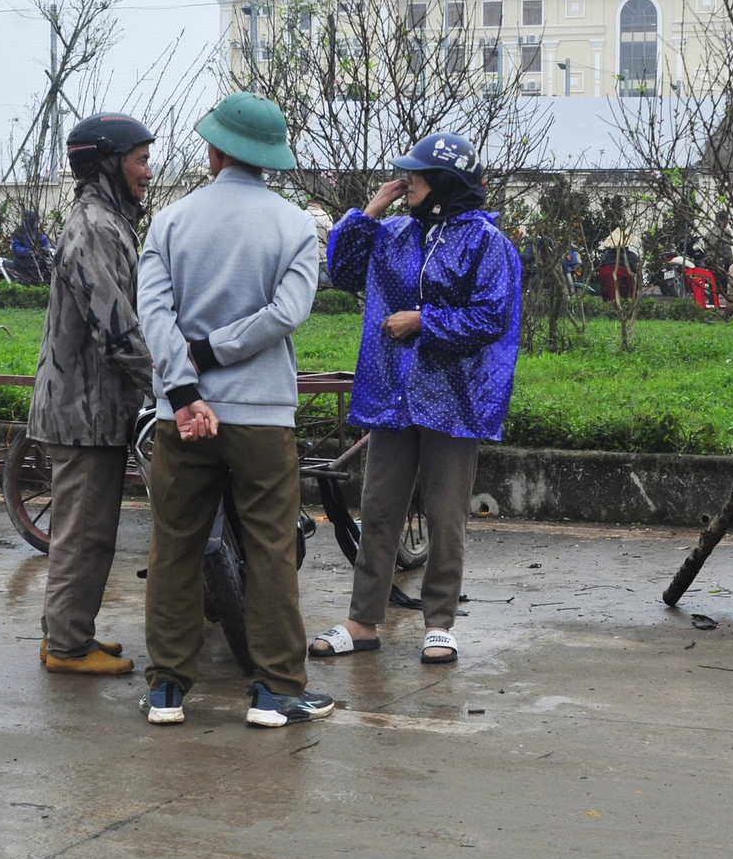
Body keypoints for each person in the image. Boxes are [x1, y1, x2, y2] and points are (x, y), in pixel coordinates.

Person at [135, 91, 333, 729]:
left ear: (214, 149)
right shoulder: (294, 226)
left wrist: (187, 386)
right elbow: (288, 314)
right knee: (271, 547)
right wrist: (219, 353)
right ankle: (275, 691)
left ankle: (167, 688)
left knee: (175, 545)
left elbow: (154, 316)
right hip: (264, 416)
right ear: (269, 159)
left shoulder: (169, 222)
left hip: (183, 416)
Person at [310, 132, 521, 666]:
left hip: (455, 399)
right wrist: (373, 207)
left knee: (446, 515)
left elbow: (492, 316)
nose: (408, 185)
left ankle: (439, 622)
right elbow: (345, 269)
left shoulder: (486, 243)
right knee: (378, 509)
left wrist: (425, 322)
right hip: (393, 395)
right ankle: (362, 620)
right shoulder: (398, 232)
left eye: (418, 178)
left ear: (447, 185)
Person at [28, 113, 157, 676]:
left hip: (97, 408)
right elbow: (116, 327)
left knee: (92, 532)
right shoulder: (95, 228)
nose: (148, 172)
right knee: (82, 534)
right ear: (108, 163)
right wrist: (167, 384)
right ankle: (65, 646)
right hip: (82, 410)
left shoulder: (108, 219)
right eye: (140, 160)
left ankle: (71, 632)